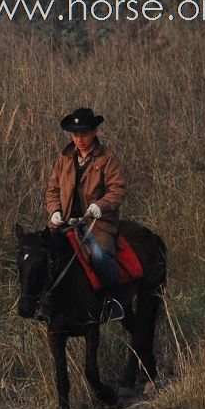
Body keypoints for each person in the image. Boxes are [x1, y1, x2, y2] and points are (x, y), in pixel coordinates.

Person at [47, 108, 127, 321]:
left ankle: (114, 299)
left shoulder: (107, 158)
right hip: (64, 222)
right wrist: (54, 210)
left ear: (94, 132)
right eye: (75, 135)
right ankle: (43, 303)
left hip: (96, 223)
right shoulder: (64, 157)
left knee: (100, 256)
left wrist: (101, 205)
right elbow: (53, 189)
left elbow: (117, 189)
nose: (79, 139)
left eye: (83, 134)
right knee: (38, 253)